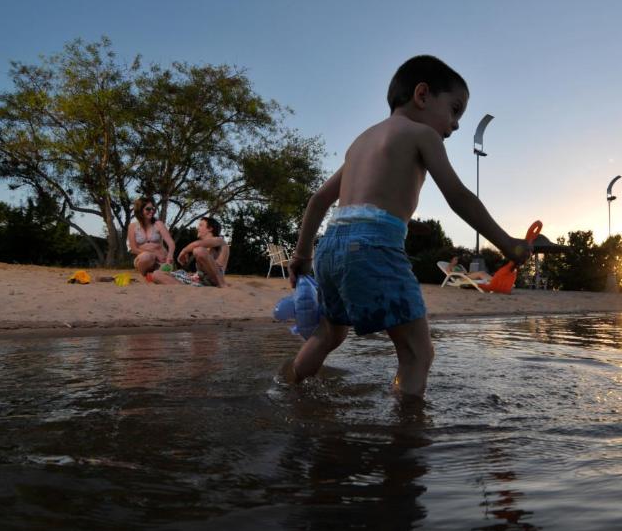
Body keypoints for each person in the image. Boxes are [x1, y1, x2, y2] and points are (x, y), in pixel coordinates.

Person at [287, 55, 531, 397]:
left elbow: (318, 201)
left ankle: (289, 390)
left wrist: (302, 255)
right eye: (455, 109)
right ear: (422, 95)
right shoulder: (422, 135)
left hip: (330, 247)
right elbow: (459, 196)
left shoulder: (361, 142)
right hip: (374, 247)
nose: (456, 124)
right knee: (417, 352)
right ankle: (405, 439)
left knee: (330, 333)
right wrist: (507, 243)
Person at [150, 216, 229, 287]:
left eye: (201, 225)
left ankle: (221, 283)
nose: (198, 228)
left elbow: (196, 244)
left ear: (210, 228)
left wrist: (184, 251)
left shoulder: (220, 241)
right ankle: (186, 288)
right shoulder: (203, 247)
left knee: (198, 250)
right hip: (200, 282)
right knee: (157, 274)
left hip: (214, 280)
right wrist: (192, 275)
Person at [127, 196, 175, 278]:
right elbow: (133, 249)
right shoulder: (132, 227)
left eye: (153, 209)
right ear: (140, 210)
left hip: (162, 260)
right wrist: (154, 254)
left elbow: (171, 243)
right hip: (144, 260)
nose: (152, 211)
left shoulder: (158, 224)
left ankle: (155, 275)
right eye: (148, 209)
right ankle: (145, 276)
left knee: (163, 276)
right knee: (146, 256)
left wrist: (170, 256)